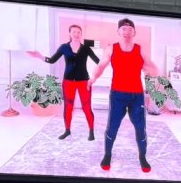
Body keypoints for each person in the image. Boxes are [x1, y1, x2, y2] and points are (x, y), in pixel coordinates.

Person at [88, 18, 160, 172]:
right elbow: (101, 66)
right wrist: (93, 78)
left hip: (136, 96)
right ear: (118, 32)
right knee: (112, 127)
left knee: (140, 128)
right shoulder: (111, 49)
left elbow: (154, 69)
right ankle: (107, 155)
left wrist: (149, 71)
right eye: (124, 29)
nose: (127, 32)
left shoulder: (140, 49)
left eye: (130, 29)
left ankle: (143, 158)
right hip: (117, 95)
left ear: (134, 32)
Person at [28, 25, 99, 141]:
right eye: (74, 32)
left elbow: (98, 62)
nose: (76, 34)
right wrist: (40, 56)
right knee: (68, 107)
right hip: (68, 82)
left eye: (78, 32)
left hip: (84, 81)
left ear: (81, 34)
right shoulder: (64, 47)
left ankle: (91, 131)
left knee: (86, 107)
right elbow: (52, 60)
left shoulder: (86, 48)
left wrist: (95, 75)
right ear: (70, 34)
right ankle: (67, 130)